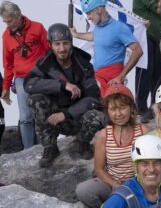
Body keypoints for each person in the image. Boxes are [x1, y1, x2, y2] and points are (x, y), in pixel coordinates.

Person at [24, 24, 107, 168]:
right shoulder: (44, 64)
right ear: (50, 45)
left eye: (65, 43)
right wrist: (61, 85)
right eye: (57, 44)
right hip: (54, 120)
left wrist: (67, 113)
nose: (62, 48)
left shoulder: (83, 64)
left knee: (99, 115)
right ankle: (50, 147)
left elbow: (93, 97)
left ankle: (82, 143)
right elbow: (29, 84)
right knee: (35, 99)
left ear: (71, 43)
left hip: (76, 117)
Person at [75, 83, 146, 208]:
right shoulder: (103, 135)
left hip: (140, 184)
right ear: (107, 111)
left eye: (122, 107)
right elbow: (99, 169)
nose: (118, 114)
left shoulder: (144, 131)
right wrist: (116, 185)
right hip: (113, 183)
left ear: (131, 108)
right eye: (113, 109)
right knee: (83, 190)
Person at [0, 1, 50, 150]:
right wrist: (6, 87)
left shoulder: (37, 27)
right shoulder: (6, 36)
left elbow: (50, 52)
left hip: (40, 77)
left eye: (9, 21)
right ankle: (28, 151)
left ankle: (45, 148)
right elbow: (7, 63)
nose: (8, 25)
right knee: (26, 118)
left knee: (41, 116)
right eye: (5, 22)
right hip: (21, 80)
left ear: (18, 15)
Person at [72, 0, 143, 93]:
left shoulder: (119, 27)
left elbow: (138, 51)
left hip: (112, 80)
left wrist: (121, 76)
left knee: (110, 108)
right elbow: (95, 36)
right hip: (98, 78)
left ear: (98, 9)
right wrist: (77, 35)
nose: (88, 17)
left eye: (89, 13)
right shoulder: (98, 27)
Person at [132, 0, 161, 114]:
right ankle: (141, 107)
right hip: (144, 36)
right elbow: (158, 9)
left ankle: (154, 106)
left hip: (153, 35)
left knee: (158, 72)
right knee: (145, 71)